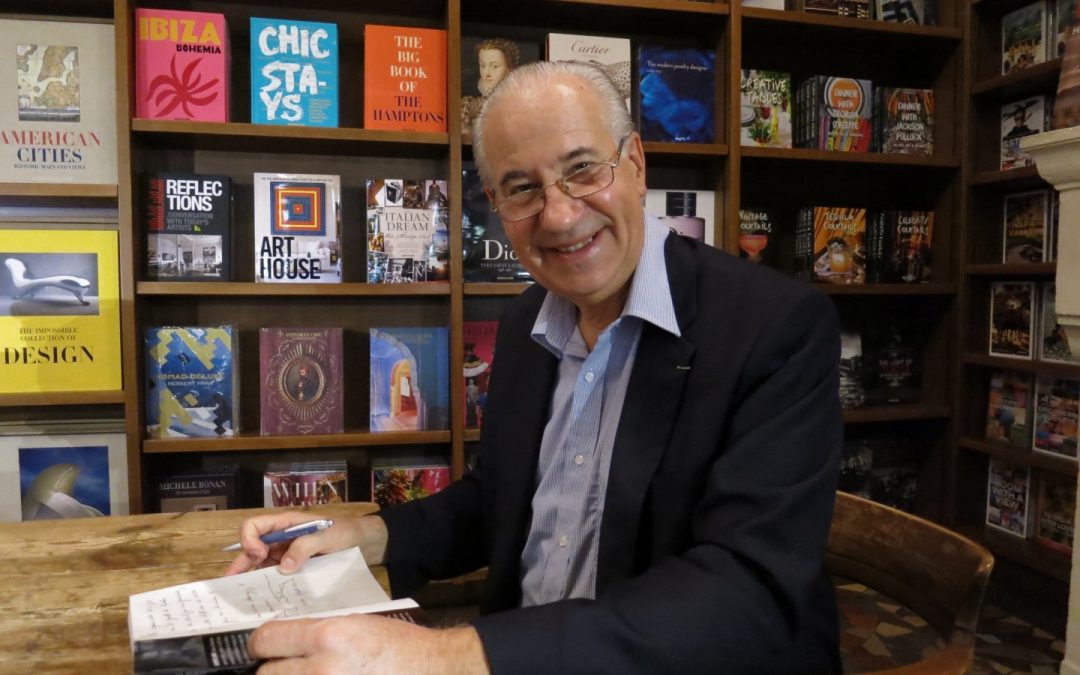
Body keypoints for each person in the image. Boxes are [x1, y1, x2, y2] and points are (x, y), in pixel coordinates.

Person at [227, 60, 843, 673]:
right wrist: (361, 538)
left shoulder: (775, 326)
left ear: (635, 165)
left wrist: (453, 657)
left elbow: (746, 592)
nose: (560, 215)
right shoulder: (528, 323)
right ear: (495, 204)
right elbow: (499, 499)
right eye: (522, 188)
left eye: (581, 170)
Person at [461, 38, 520, 129]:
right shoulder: (468, 105)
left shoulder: (519, 104)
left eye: (494, 66)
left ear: (509, 69)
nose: (487, 73)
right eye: (483, 66)